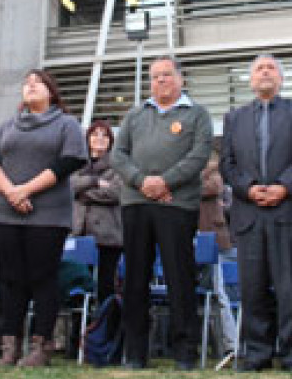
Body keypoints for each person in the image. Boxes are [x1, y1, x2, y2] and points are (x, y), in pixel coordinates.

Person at [110, 55, 213, 370]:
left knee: (179, 277)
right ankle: (135, 353)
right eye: (155, 76)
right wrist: (142, 182)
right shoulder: (135, 114)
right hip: (136, 203)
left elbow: (199, 155)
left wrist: (165, 182)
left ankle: (184, 353)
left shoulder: (197, 114)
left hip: (176, 205)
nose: (161, 81)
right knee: (135, 278)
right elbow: (118, 154)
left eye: (167, 74)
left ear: (180, 78)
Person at [0, 70, 87, 367]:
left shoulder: (66, 124)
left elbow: (70, 161)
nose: (30, 86)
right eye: (26, 83)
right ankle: (10, 346)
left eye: (37, 82)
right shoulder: (8, 125)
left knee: (43, 278)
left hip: (48, 215)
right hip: (6, 213)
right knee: (10, 279)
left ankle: (41, 346)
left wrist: (25, 190)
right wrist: (11, 192)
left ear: (51, 92)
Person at [220, 54, 292, 371]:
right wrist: (248, 188)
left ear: (281, 78)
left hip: (287, 211)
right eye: (259, 68)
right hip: (249, 213)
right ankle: (257, 352)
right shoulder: (234, 118)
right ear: (251, 80)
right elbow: (227, 164)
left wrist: (283, 187)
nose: (265, 72)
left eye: (271, 67)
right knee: (252, 287)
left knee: (288, 287)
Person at [71, 119, 123, 305]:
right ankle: (79, 322)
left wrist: (82, 194)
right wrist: (93, 182)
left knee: (105, 285)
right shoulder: (77, 163)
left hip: (108, 235)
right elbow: (69, 185)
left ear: (111, 141)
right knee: (78, 285)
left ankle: (105, 321)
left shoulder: (119, 164)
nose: (99, 138)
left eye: (105, 135)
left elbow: (116, 192)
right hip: (79, 232)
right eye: (95, 134)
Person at [198, 151, 238, 367]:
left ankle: (231, 344)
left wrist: (180, 185)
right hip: (188, 237)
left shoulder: (213, 167)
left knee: (219, 292)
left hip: (213, 240)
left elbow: (212, 187)